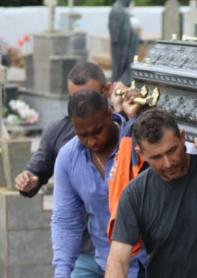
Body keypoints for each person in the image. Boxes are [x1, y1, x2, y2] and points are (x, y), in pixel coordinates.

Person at [105, 108, 197, 277]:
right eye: (156, 157)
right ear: (141, 154)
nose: (168, 163)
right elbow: (118, 259)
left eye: (171, 150)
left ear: (182, 137)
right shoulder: (134, 194)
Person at [14, 62, 112, 278]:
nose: (81, 104)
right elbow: (63, 218)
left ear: (106, 93)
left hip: (126, 253)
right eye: (74, 99)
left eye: (89, 96)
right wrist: (29, 179)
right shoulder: (61, 134)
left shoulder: (127, 134)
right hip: (82, 249)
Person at [51, 90, 146, 278]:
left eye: (97, 131)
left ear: (110, 114)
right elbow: (66, 221)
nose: (92, 141)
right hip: (108, 265)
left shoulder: (136, 142)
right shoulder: (68, 158)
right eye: (83, 135)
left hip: (153, 262)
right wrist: (62, 273)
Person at [108, 0, 140, 86]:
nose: (129, 1)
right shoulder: (117, 10)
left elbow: (130, 30)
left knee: (127, 65)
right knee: (119, 68)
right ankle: (119, 84)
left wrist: (137, 38)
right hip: (121, 46)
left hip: (126, 44)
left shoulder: (121, 10)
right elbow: (117, 33)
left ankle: (122, 83)